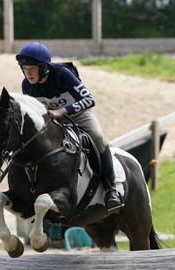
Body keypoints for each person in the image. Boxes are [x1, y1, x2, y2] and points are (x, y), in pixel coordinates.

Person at [15, 42, 124, 211]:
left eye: (31, 68)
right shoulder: (26, 85)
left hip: (80, 115)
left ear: (43, 67)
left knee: (99, 137)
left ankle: (111, 189)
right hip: (54, 122)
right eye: (24, 68)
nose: (27, 73)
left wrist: (63, 110)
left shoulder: (62, 74)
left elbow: (89, 100)